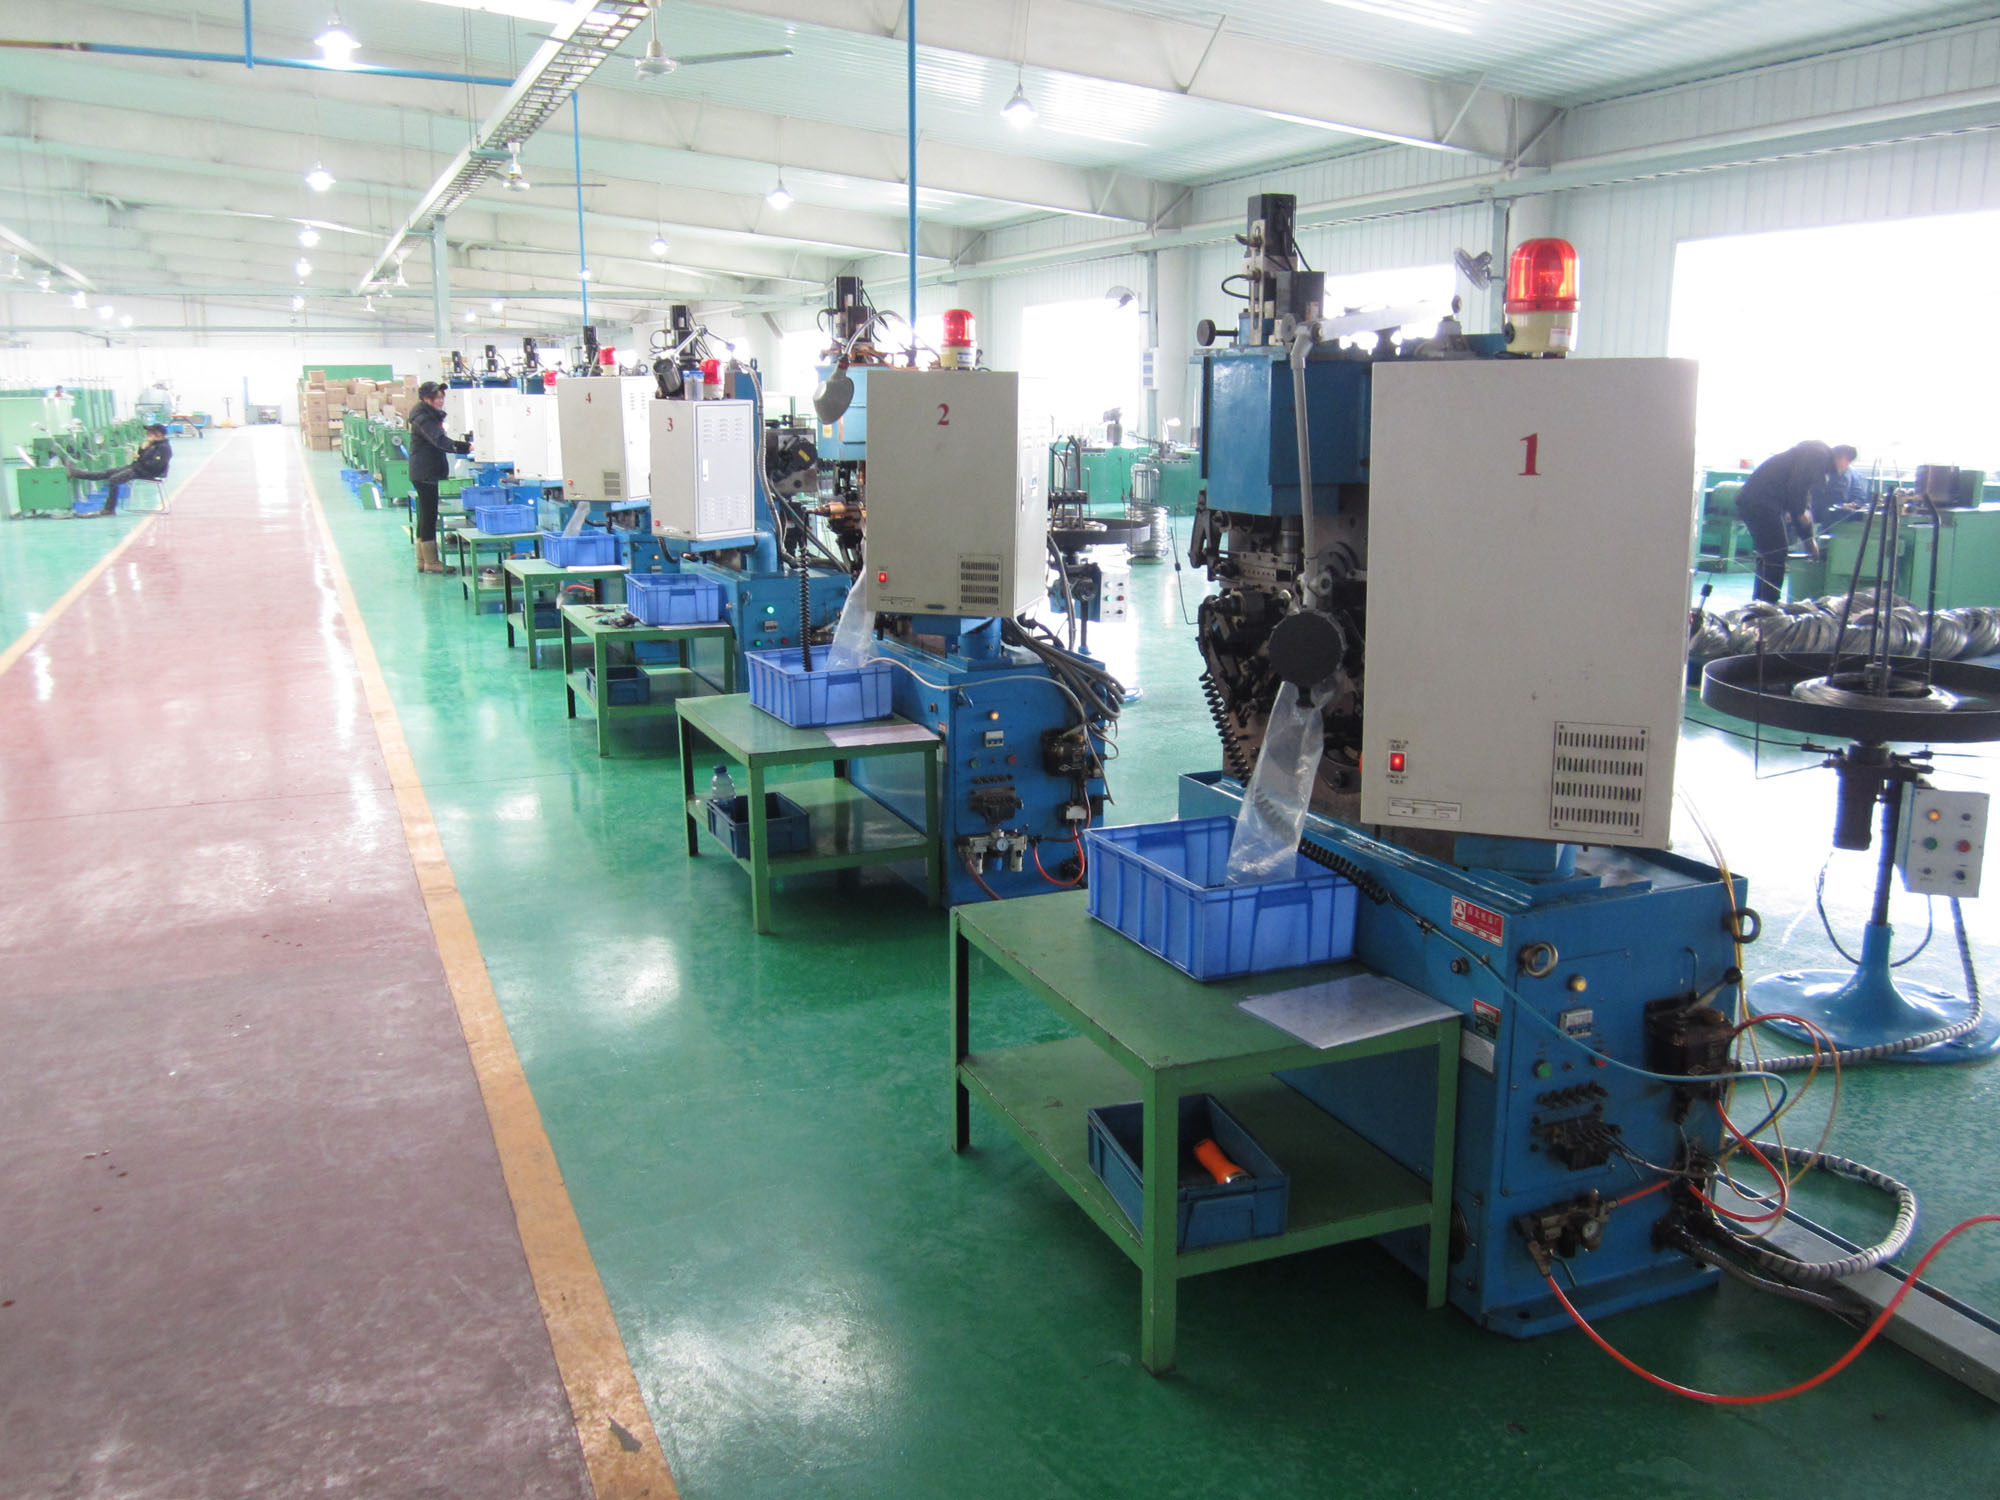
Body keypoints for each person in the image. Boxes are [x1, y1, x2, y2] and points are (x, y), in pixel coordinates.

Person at [1733, 440, 1833, 604]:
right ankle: (1769, 603)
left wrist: (1805, 528)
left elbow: (1800, 494)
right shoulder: (1818, 456)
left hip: (1753, 500)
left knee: (1769, 553)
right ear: (1842, 458)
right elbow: (1798, 490)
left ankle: (1761, 602)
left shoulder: (1799, 457)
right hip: (1761, 503)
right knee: (1776, 552)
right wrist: (1808, 538)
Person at [407, 382, 472, 575]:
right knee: (429, 516)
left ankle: (422, 560)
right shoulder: (424, 418)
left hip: (424, 472)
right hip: (425, 473)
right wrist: (466, 447)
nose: (440, 400)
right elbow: (440, 441)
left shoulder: (426, 415)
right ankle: (432, 562)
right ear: (426, 399)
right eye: (436, 397)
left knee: (425, 515)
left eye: (442, 396)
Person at [67, 423, 172, 515]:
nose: (148, 434)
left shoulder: (163, 448)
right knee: (107, 473)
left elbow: (154, 466)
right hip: (138, 468)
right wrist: (142, 449)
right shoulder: (152, 445)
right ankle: (76, 473)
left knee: (114, 479)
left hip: (145, 472)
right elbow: (144, 458)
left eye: (151, 432)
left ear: (159, 434)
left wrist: (139, 458)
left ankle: (109, 509)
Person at [1809, 444, 1870, 520]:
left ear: (1849, 461)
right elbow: (1814, 496)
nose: (1834, 460)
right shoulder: (1822, 473)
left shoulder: (1855, 476)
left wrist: (1851, 504)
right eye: (1832, 458)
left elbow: (1859, 498)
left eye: (1839, 458)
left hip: (1844, 514)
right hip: (1821, 512)